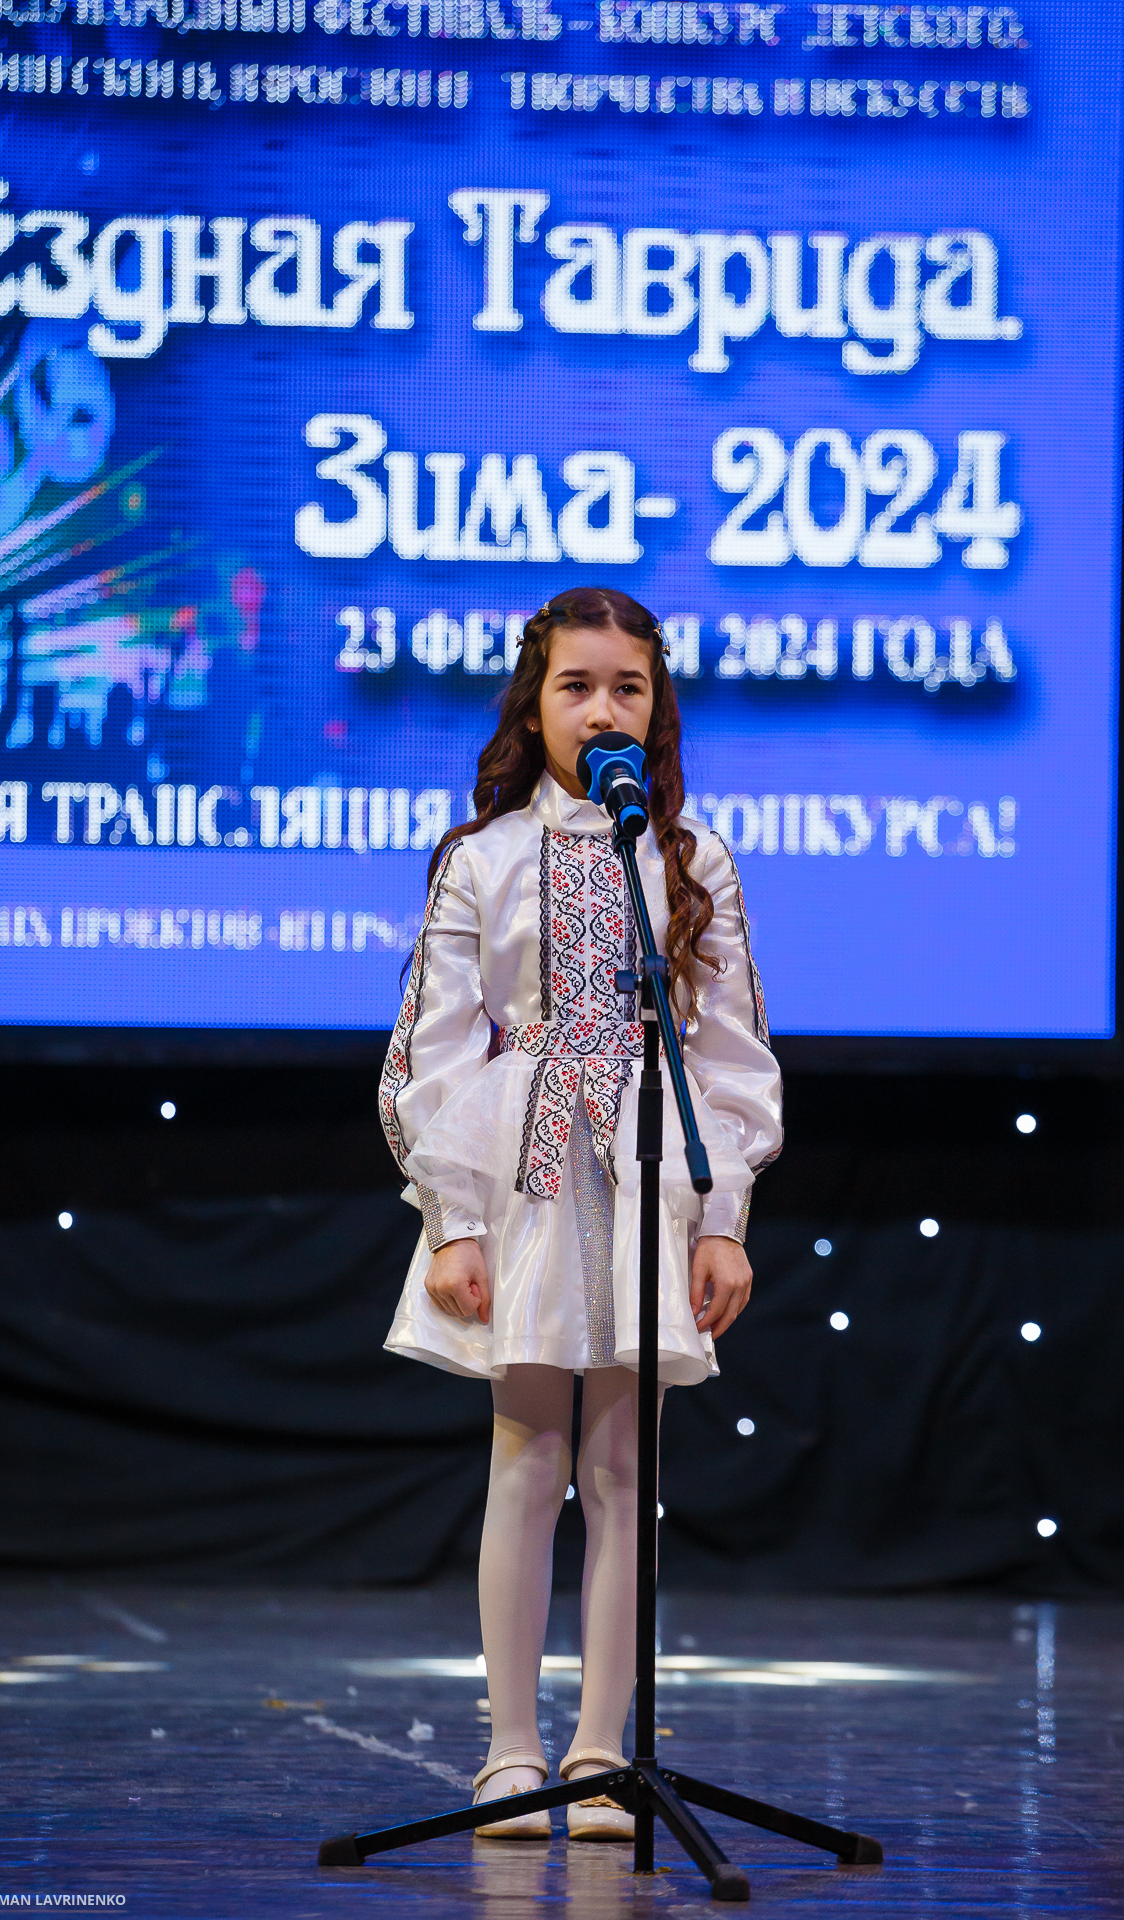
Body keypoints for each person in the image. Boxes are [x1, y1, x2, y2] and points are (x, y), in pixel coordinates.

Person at [378, 587, 783, 1840]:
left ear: (655, 709)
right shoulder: (483, 856)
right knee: (526, 1454)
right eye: (576, 686)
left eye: (627, 688)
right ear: (533, 704)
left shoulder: (689, 859)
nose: (602, 709)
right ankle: (510, 1754)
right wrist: (451, 1218)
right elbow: (430, 1053)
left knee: (621, 1466)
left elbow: (731, 1054)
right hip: (524, 1169)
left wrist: (723, 1217)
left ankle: (603, 1752)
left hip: (650, 1165)